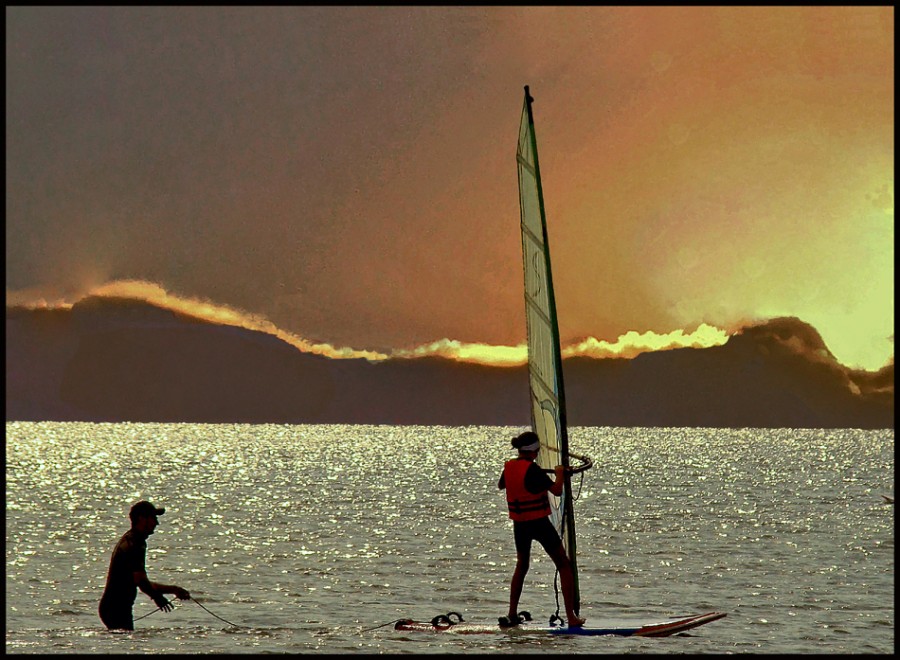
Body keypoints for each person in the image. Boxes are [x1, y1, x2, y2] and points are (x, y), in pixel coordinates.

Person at [498, 431, 585, 627]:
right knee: (564, 564)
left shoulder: (510, 466)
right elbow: (556, 490)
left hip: (520, 525)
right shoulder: (534, 470)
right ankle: (571, 617)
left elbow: (501, 485)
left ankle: (512, 613)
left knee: (522, 566)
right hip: (538, 523)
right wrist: (560, 474)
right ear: (535, 450)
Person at [98, 500, 191, 630]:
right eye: (153, 518)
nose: (156, 523)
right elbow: (140, 581)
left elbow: (141, 580)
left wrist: (174, 590)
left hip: (113, 607)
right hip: (116, 608)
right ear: (142, 519)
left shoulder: (131, 539)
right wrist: (158, 598)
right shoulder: (135, 543)